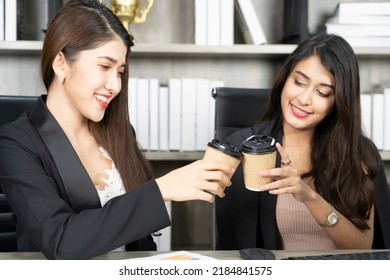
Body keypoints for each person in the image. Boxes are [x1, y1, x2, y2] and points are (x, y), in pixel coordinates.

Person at [0, 0, 234, 260]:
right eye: (104, 66)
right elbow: (61, 240)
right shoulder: (16, 142)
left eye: (120, 72)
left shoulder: (120, 132)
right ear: (60, 63)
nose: (115, 85)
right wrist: (161, 189)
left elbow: (141, 244)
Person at [215, 32, 390, 250]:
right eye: (299, 82)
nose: (304, 99)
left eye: (322, 92)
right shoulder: (243, 147)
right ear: (284, 79)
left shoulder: (358, 154)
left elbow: (363, 246)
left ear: (338, 102)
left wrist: (309, 197)